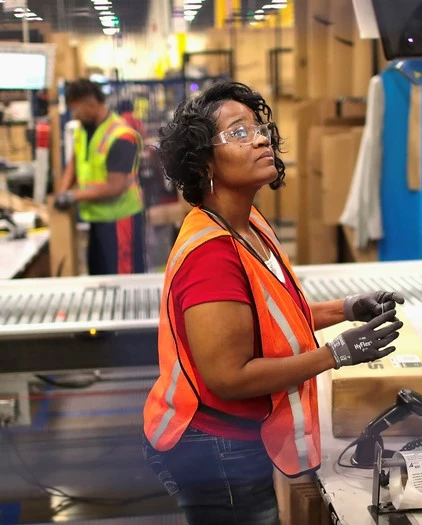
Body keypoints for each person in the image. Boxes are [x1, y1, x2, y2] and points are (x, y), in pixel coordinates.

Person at [142, 81, 405, 525]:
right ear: (204, 161)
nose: (262, 138)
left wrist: (345, 309)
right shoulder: (211, 255)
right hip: (214, 445)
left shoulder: (248, 224)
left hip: (243, 435)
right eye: (239, 132)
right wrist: (335, 354)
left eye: (259, 128)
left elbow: (270, 318)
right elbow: (229, 377)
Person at [55, 79, 146, 275]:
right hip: (97, 219)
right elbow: (74, 162)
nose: (74, 115)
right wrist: (62, 191)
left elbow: (115, 187)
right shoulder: (83, 130)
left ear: (91, 104)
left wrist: (73, 196)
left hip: (120, 221)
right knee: (99, 277)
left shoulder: (120, 135)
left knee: (123, 281)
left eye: (76, 109)